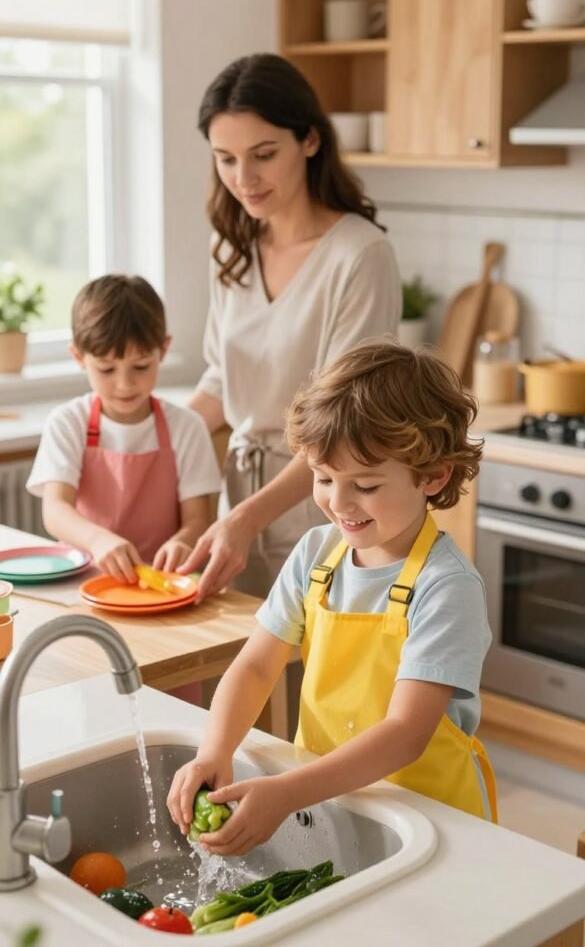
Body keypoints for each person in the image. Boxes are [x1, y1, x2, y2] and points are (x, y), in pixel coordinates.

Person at [167, 340, 498, 853]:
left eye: (364, 485)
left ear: (433, 476)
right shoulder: (317, 554)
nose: (338, 503)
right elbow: (256, 666)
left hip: (432, 823)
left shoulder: (446, 586)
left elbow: (406, 731)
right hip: (328, 803)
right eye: (323, 478)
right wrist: (215, 749)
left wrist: (285, 793)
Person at [179, 53, 401, 601]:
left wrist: (249, 518)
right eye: (225, 159)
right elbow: (219, 380)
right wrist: (151, 438)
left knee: (315, 681)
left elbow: (344, 422)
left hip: (331, 509)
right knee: (246, 675)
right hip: (242, 504)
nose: (243, 178)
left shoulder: (358, 255)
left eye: (263, 154)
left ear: (309, 141)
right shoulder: (230, 247)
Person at [27, 275, 221, 581]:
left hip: (162, 585)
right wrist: (97, 540)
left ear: (164, 349)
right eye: (106, 368)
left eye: (141, 366)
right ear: (78, 356)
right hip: (84, 582)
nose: (125, 383)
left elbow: (197, 519)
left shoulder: (186, 427)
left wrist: (183, 542)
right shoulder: (68, 422)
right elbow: (55, 510)